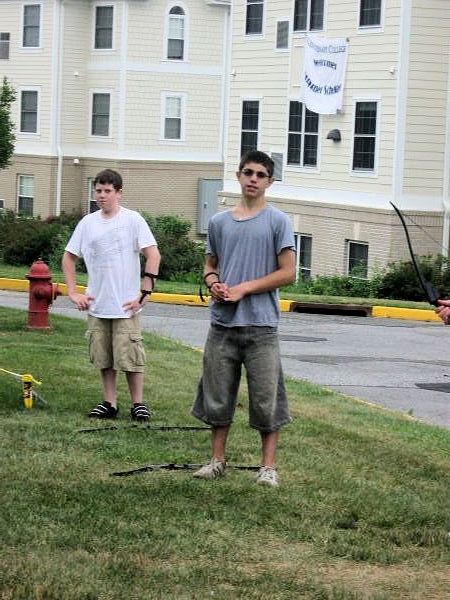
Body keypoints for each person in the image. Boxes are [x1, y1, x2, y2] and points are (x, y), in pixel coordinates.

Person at [191, 150, 296, 487]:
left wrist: (244, 289)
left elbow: (288, 273)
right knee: (217, 394)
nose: (253, 179)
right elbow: (210, 265)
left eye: (260, 175)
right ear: (238, 176)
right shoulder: (219, 222)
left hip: (261, 326)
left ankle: (268, 468)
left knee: (266, 398)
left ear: (270, 181)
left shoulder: (278, 221)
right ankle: (217, 460)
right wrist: (214, 284)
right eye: (248, 172)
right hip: (223, 325)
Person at [62, 169, 160, 421]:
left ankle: (138, 404)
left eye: (107, 191)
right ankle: (110, 402)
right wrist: (73, 292)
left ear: (119, 193)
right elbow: (68, 258)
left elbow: (153, 255)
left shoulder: (133, 220)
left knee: (130, 356)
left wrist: (145, 292)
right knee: (103, 356)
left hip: (126, 305)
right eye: (98, 191)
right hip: (97, 303)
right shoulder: (87, 224)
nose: (102, 196)